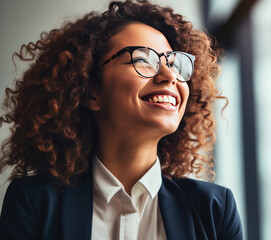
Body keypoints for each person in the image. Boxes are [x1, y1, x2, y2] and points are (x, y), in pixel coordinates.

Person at [0, 0, 243, 239]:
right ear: (91, 91)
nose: (170, 75)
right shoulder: (33, 203)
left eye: (175, 63)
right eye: (142, 59)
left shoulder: (214, 209)